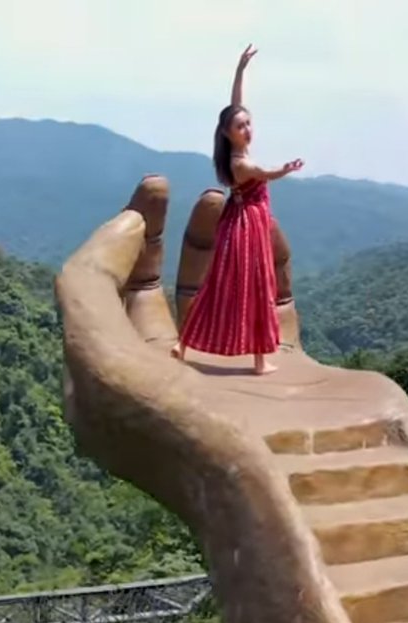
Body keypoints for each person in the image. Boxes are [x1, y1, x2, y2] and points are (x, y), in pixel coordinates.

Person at [171, 44, 304, 375]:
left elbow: (235, 104)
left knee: (224, 286)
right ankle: (259, 361)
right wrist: (286, 169)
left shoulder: (236, 150)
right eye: (241, 126)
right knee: (257, 287)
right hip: (247, 227)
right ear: (229, 134)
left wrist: (240, 70)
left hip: (243, 222)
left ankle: (183, 344)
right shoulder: (241, 162)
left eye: (248, 123)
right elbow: (266, 174)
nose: (247, 128)